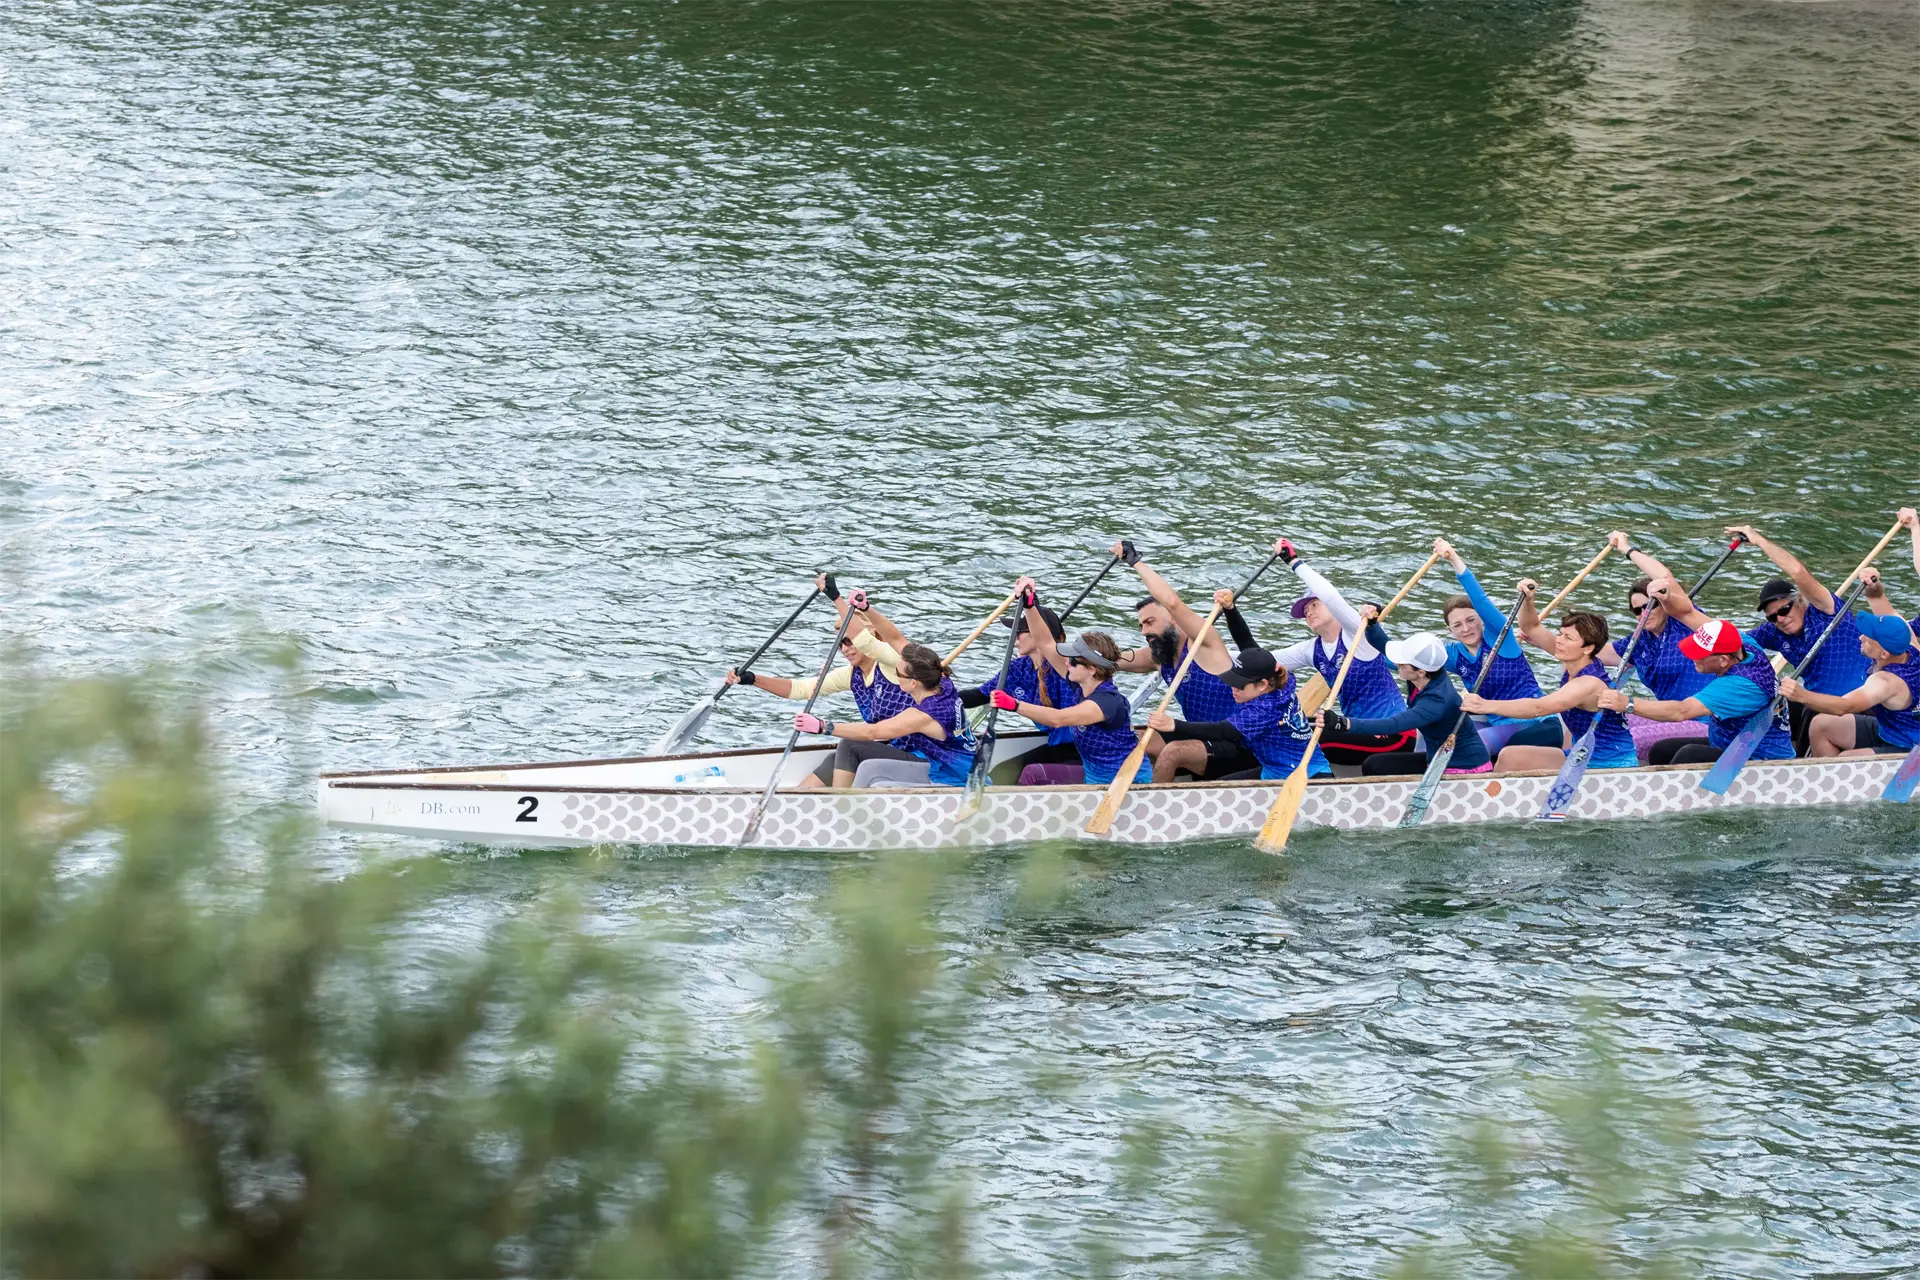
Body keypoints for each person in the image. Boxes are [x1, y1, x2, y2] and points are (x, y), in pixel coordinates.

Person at [727, 581, 917, 787]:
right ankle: (795, 803)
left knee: (849, 746)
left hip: (921, 755)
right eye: (839, 644)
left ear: (871, 636)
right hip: (894, 750)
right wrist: (753, 679)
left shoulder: (893, 665)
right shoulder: (852, 676)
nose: (844, 649)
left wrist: (836, 598)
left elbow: (865, 641)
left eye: (848, 641)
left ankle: (839, 809)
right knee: (832, 759)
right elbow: (799, 689)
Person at [1109, 543, 1264, 780]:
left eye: (1150, 622)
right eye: (1140, 625)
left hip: (1239, 742)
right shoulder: (1159, 657)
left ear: (1172, 619)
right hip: (1199, 739)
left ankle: (1154, 811)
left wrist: (1135, 561)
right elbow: (1109, 661)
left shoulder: (1203, 644)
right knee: (1128, 737)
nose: (1144, 631)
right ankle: (1122, 791)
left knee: (1172, 752)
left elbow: (1172, 601)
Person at [1594, 585, 1795, 766]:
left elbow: (1681, 711)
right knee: (1661, 750)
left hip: (1761, 761)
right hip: (1731, 744)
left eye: (1700, 655)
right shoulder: (1743, 643)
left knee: (1687, 755)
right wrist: (1666, 594)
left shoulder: (1739, 685)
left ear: (1724, 660)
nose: (1692, 659)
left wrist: (1626, 703)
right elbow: (1687, 613)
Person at [1458, 583, 1636, 774]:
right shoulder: (1574, 657)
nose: (1558, 640)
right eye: (1560, 634)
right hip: (1580, 753)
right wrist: (1528, 600)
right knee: (1510, 756)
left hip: (1609, 764)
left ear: (1588, 648)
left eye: (1568, 638)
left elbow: (1539, 708)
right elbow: (1531, 626)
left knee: (1510, 758)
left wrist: (1485, 705)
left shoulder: (1589, 683)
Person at [1269, 539, 1414, 766]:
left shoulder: (1358, 635)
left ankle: (1318, 780)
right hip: (1355, 730)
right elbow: (1264, 660)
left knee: (1317, 736)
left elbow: (1331, 596)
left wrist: (1294, 562)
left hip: (1395, 733)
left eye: (1314, 605)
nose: (1309, 613)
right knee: (1291, 728)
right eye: (1305, 611)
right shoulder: (1311, 650)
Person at [1729, 523, 1871, 754]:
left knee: (1811, 712)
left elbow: (1798, 573)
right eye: (1773, 617)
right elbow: (1728, 639)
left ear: (1800, 601)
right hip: (1820, 705)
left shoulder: (1827, 610)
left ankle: (1800, 764)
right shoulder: (1774, 632)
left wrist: (1760, 541)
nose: (1781, 619)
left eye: (1784, 610)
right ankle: (1770, 755)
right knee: (1776, 705)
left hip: (1862, 705)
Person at [1588, 531, 1719, 764]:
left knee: (1631, 739)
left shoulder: (1684, 623)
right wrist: (1540, 635)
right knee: (1604, 724)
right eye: (1636, 610)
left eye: (1649, 606)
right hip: (1669, 716)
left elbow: (1665, 577)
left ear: (1663, 602)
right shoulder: (1640, 640)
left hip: (1703, 720)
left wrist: (1626, 549)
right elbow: (1588, 650)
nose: (1643, 614)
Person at [1431, 538, 1562, 756]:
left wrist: (1454, 558)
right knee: (1437, 737)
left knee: (1468, 747)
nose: (1466, 628)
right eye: (1457, 625)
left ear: (1481, 620)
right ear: (1449, 630)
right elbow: (1408, 660)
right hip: (1495, 722)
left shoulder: (1501, 638)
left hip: (1537, 723)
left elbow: (1480, 600)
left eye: (1471, 620)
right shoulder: (1453, 655)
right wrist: (1370, 628)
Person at [792, 642, 978, 787]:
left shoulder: (922, 715)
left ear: (914, 683)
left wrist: (822, 726)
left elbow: (873, 732)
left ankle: (841, 809)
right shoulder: (942, 683)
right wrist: (860, 606)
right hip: (951, 762)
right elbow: (895, 638)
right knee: (838, 757)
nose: (893, 675)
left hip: (947, 773)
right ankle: (795, 800)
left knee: (852, 749)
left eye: (897, 673)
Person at [1313, 632, 1491, 777]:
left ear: (1420, 672)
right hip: (1437, 758)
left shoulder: (1436, 701)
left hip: (1463, 768)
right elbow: (1384, 645)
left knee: (1375, 766)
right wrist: (1372, 622)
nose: (1396, 663)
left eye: (1402, 662)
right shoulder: (1424, 675)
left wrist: (1344, 723)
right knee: (1376, 764)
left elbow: (1393, 724)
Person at [988, 631, 1152, 786]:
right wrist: (1030, 605)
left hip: (1125, 783)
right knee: (1032, 773)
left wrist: (1014, 704)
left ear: (1091, 669)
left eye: (1073, 660)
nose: (1066, 662)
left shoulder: (1108, 703)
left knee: (1032, 774)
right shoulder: (1081, 686)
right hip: (1093, 778)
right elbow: (1046, 644)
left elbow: (1058, 719)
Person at [1144, 648, 1328, 782]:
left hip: (1307, 775)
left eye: (1240, 685)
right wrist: (1231, 611)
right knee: (1218, 788)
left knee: (1220, 791)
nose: (1234, 689)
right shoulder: (1283, 681)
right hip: (1274, 771)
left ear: (1263, 685)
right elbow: (1249, 646)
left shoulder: (1262, 710)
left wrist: (1174, 725)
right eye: (1233, 682)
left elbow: (1224, 731)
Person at [956, 582, 1083, 776]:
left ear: (1038, 633)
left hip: (1081, 748)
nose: (1014, 637)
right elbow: (981, 695)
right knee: (999, 773)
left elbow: (1047, 643)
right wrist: (937, 692)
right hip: (1056, 744)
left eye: (1019, 632)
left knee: (1018, 773)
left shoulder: (1065, 666)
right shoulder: (1019, 668)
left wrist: (1030, 603)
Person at [1779, 602, 1920, 757]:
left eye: (1868, 638)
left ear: (1884, 654)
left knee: (1847, 759)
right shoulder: (1910, 647)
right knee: (1821, 725)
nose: (1860, 637)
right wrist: (1873, 593)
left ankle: (1836, 777)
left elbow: (1845, 707)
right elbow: (1889, 613)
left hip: (1908, 746)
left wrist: (1801, 695)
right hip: (1889, 730)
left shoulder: (1886, 682)